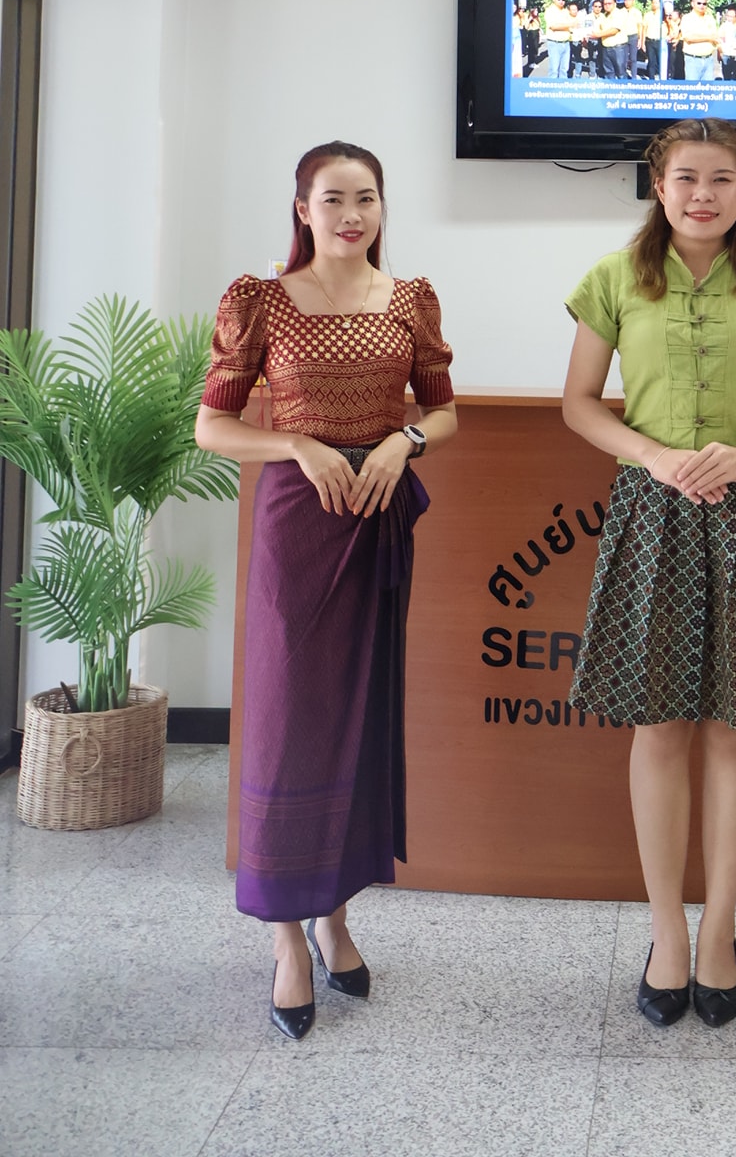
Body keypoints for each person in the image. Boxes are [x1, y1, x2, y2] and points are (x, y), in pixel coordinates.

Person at [562, 119, 736, 1029]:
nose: (702, 194)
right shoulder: (613, 279)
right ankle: (666, 933)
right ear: (658, 183)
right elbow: (577, 404)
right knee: (659, 725)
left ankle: (720, 930)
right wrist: (653, 455)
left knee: (732, 727)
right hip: (651, 510)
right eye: (685, 178)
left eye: (720, 179)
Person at [195, 141, 457, 1042]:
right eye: (334, 199)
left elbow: (443, 412)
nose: (352, 215)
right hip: (297, 526)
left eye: (366, 198)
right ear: (302, 209)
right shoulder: (260, 300)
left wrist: (403, 443)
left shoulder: (409, 300)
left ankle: (335, 918)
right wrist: (298, 444)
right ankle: (286, 940)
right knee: (286, 724)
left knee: (357, 720)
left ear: (382, 208)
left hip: (376, 520)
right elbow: (212, 428)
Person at [680, 0, 721, 82]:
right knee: (693, 88)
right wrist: (708, 38)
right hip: (693, 60)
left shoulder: (710, 19)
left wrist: (698, 36)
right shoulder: (687, 18)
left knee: (707, 88)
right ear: (692, 4)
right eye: (699, 3)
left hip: (708, 59)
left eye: (704, 4)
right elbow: (688, 38)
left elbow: (715, 37)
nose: (702, 6)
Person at [543, 0, 574, 79]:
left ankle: (563, 87)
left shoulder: (565, 11)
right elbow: (553, 27)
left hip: (566, 43)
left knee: (564, 70)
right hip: (554, 43)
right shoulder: (550, 11)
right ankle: (552, 87)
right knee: (554, 70)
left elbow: (571, 26)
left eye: (563, 0)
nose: (561, 1)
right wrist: (569, 25)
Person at [719, 5, 736, 81]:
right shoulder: (723, 26)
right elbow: (719, 41)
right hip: (726, 55)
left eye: (731, 17)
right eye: (727, 16)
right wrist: (719, 54)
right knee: (726, 77)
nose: (729, 18)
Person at [643, 0, 663, 80]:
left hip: (660, 41)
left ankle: (661, 80)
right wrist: (643, 42)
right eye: (653, 3)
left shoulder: (663, 15)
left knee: (660, 62)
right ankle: (651, 80)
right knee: (651, 62)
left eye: (656, 3)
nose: (654, 4)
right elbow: (644, 29)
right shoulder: (647, 15)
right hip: (649, 41)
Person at [520, 2, 542, 78]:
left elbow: (539, 26)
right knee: (531, 48)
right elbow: (526, 26)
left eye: (537, 11)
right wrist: (529, 20)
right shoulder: (529, 17)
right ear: (532, 11)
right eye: (535, 11)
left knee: (536, 48)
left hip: (536, 32)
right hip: (531, 33)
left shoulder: (537, 18)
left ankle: (534, 61)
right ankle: (530, 62)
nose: (537, 12)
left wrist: (540, 32)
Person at [665, 4, 685, 80]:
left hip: (680, 43)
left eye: (673, 14)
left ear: (678, 15)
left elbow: (680, 33)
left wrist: (676, 41)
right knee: (671, 62)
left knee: (679, 62)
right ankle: (672, 76)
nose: (671, 16)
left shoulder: (682, 23)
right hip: (672, 43)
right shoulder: (671, 23)